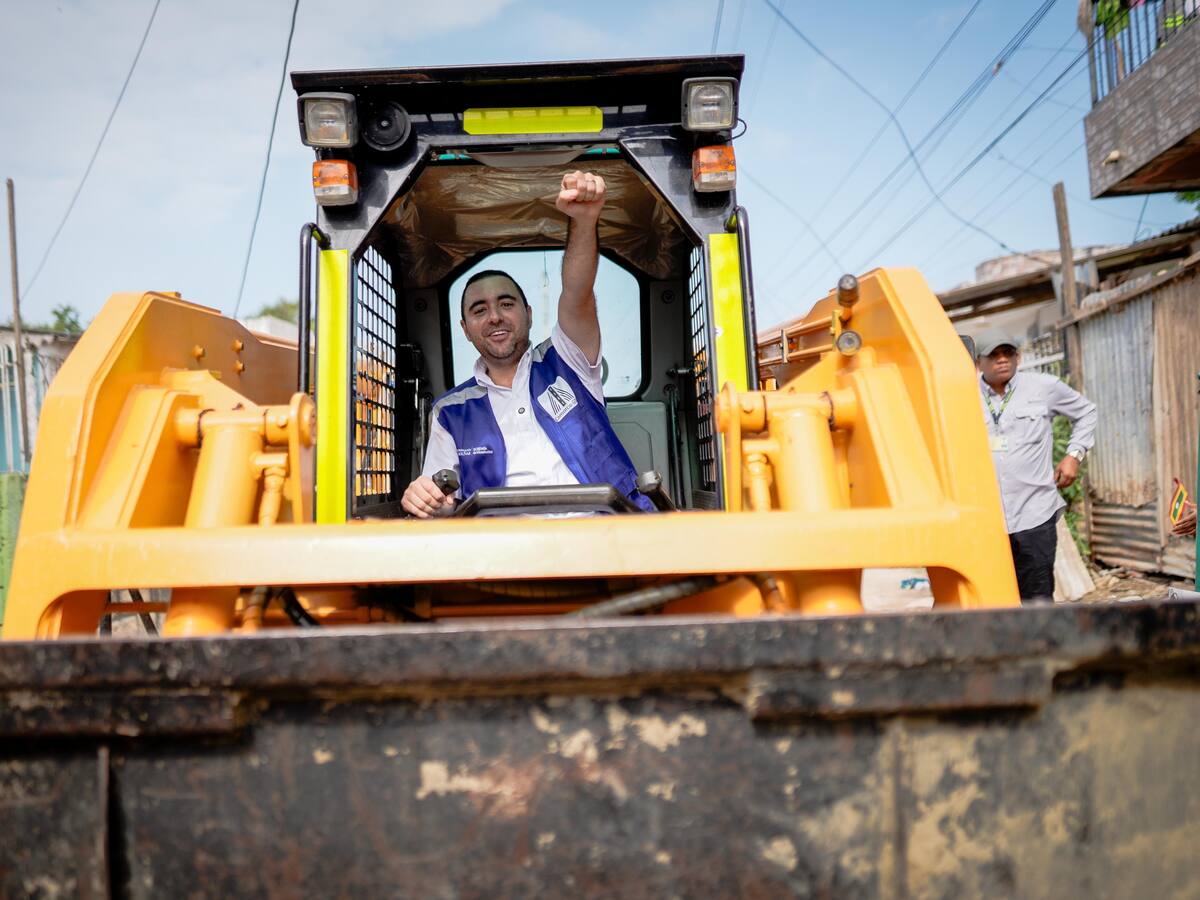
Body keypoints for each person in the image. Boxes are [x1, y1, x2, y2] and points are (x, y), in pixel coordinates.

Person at [401, 170, 654, 518]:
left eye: (506, 304)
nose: (495, 317)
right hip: (508, 553)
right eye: (480, 309)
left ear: (529, 314)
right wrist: (424, 496)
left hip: (605, 534)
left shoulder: (567, 361)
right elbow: (441, 502)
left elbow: (577, 294)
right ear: (465, 328)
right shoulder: (450, 412)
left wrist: (583, 220)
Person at [976, 330, 1098, 603]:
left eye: (1008, 353)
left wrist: (1073, 455)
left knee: (1037, 599)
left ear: (1017, 357)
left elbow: (1087, 412)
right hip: (987, 520)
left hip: (1034, 513)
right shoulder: (963, 395)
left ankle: (1040, 645)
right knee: (993, 601)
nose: (1002, 360)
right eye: (993, 355)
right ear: (978, 363)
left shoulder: (1043, 387)